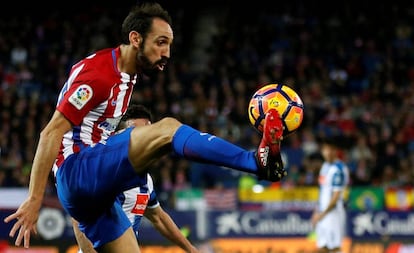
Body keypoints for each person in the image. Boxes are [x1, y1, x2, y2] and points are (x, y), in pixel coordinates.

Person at [4, 2, 286, 252]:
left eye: (170, 45)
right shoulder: (100, 75)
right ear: (135, 39)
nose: (167, 53)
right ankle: (255, 161)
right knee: (167, 129)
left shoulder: (127, 74)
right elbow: (50, 132)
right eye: (161, 43)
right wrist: (34, 199)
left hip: (93, 197)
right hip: (78, 169)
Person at [72, 104, 198, 253]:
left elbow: (159, 218)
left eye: (147, 133)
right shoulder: (105, 170)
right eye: (136, 133)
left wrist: (191, 249)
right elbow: (78, 211)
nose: (143, 139)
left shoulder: (146, 182)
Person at [311, 137, 350, 253]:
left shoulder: (338, 169)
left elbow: (336, 196)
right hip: (323, 212)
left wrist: (322, 214)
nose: (326, 152)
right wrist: (316, 212)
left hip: (333, 213)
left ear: (334, 151)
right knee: (323, 247)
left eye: (329, 150)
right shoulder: (325, 167)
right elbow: (322, 191)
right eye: (324, 150)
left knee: (334, 248)